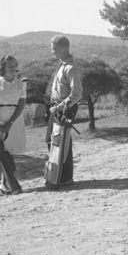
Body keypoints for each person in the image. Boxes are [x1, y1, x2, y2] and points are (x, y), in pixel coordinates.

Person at [0, 55, 27, 198]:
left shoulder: (21, 83)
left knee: (9, 153)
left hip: (15, 119)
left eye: (14, 64)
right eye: (9, 64)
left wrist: (10, 123)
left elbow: (21, 104)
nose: (12, 66)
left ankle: (5, 184)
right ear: (2, 67)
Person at [45, 35, 82, 188]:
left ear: (63, 48)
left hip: (64, 109)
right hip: (57, 108)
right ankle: (59, 176)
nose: (52, 51)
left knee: (62, 143)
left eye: (54, 48)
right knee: (57, 142)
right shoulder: (62, 65)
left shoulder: (71, 68)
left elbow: (76, 93)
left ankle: (64, 178)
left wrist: (59, 107)